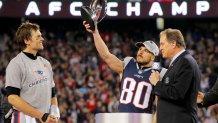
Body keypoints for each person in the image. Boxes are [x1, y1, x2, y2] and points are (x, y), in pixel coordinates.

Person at [83, 21, 159, 114]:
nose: (140, 52)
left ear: (153, 56)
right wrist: (95, 33)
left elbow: (162, 107)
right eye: (140, 49)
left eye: (146, 50)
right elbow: (106, 55)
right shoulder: (128, 64)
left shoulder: (156, 74)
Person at [5, 21, 60, 123]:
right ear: (27, 40)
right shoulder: (16, 64)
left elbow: (52, 94)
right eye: (38, 37)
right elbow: (12, 98)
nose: (42, 39)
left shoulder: (46, 63)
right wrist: (41, 115)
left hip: (45, 118)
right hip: (24, 119)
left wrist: (55, 113)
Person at [149, 28, 201, 123]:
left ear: (173, 43)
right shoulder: (179, 62)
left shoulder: (185, 62)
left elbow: (177, 93)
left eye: (162, 44)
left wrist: (157, 83)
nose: (160, 48)